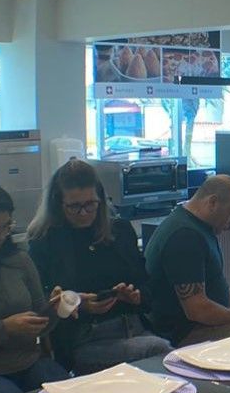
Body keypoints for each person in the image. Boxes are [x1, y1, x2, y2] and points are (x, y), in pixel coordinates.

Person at [28, 158, 170, 373]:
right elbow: (41, 304)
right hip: (84, 339)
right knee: (160, 354)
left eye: (90, 204)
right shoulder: (45, 242)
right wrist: (76, 304)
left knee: (158, 354)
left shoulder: (120, 231)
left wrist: (136, 295)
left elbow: (149, 287)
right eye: (74, 206)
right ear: (58, 205)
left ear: (101, 201)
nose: (84, 212)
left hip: (134, 327)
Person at [144, 174, 230, 346]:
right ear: (212, 202)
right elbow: (198, 310)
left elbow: (219, 287)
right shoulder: (185, 236)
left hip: (201, 326)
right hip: (185, 333)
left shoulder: (198, 227)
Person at [0, 180, 69, 393]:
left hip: (28, 361)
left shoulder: (19, 260)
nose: (1, 235)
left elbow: (40, 325)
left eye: (6, 226)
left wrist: (54, 309)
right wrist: (4, 328)